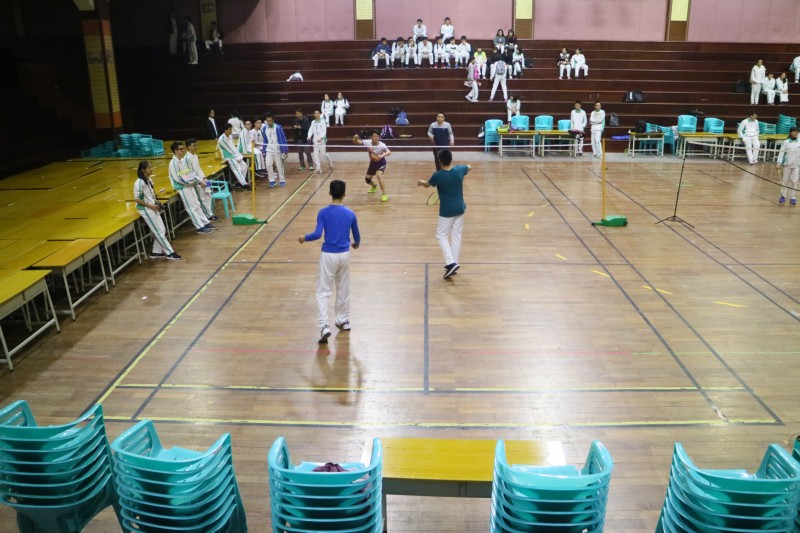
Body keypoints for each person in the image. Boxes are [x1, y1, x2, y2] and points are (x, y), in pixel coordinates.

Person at [298, 179, 360, 343]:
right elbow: (357, 237)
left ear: (330, 193)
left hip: (328, 256)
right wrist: (356, 244)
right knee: (343, 288)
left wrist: (304, 237)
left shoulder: (323, 213)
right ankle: (343, 320)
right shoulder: (350, 214)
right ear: (344, 194)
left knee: (323, 291)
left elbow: (318, 234)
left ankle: (324, 326)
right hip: (344, 255)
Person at [416, 149, 470, 279]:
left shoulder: (438, 176)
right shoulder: (459, 169)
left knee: (441, 235)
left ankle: (451, 263)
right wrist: (460, 169)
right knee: (456, 236)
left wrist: (421, 182)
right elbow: (469, 166)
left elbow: (427, 185)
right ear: (451, 159)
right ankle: (454, 263)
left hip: (447, 211)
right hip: (460, 209)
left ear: (439, 160)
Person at [134, 160, 181, 260]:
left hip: (152, 207)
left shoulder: (149, 180)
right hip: (146, 209)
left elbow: (149, 194)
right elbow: (137, 199)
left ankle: (156, 251)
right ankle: (170, 253)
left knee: (162, 229)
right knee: (158, 231)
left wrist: (155, 200)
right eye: (149, 168)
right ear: (143, 170)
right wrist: (150, 205)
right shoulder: (139, 183)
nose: (151, 169)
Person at [168, 141, 215, 233]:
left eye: (183, 149)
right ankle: (199, 227)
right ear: (175, 151)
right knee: (191, 207)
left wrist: (197, 181)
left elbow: (189, 173)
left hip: (190, 185)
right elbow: (177, 178)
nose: (183, 150)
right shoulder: (173, 163)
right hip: (183, 187)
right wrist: (189, 182)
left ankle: (205, 223)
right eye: (181, 149)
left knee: (197, 204)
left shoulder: (182, 161)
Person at [185, 138, 218, 222]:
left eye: (196, 145)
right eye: (194, 145)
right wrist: (200, 182)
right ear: (188, 147)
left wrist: (203, 177)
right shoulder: (187, 158)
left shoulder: (195, 156)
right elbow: (190, 173)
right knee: (202, 198)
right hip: (197, 182)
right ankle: (209, 216)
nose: (196, 147)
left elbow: (198, 169)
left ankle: (210, 213)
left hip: (202, 179)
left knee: (208, 194)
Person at [352, 131, 391, 202]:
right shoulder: (367, 142)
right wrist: (355, 138)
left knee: (379, 175)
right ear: (371, 137)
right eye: (374, 136)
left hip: (381, 163)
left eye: (377, 136)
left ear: (379, 137)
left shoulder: (382, 145)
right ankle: (374, 186)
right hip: (373, 163)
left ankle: (384, 194)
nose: (375, 138)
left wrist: (382, 156)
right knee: (367, 180)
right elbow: (356, 142)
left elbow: (389, 152)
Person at [261, 112, 289, 187]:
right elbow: (265, 140)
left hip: (277, 150)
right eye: (267, 121)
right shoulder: (264, 128)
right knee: (268, 165)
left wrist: (285, 150)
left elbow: (283, 139)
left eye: (270, 121)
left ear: (273, 120)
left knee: (279, 166)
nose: (269, 122)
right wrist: (264, 149)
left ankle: (282, 180)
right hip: (269, 150)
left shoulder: (278, 128)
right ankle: (272, 180)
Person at [217, 123, 250, 188]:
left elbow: (233, 147)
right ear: (225, 130)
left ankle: (240, 182)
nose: (231, 131)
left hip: (234, 155)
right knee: (237, 168)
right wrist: (237, 157)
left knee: (244, 166)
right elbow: (229, 150)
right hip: (228, 156)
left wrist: (239, 155)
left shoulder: (230, 136)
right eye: (229, 130)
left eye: (231, 129)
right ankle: (244, 184)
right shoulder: (222, 139)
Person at [777, 127, 800, 205]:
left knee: (794, 182)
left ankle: (793, 197)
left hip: (796, 165)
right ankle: (783, 196)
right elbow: (781, 153)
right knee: (784, 181)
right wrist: (778, 163)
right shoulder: (785, 142)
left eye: (797, 132)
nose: (796, 133)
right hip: (787, 165)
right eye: (794, 132)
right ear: (790, 133)